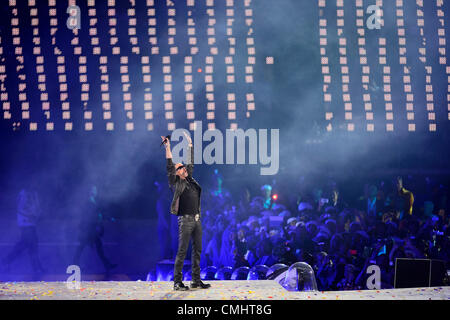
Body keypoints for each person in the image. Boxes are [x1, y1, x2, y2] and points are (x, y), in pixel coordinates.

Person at [162, 132, 211, 291]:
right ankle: (177, 282)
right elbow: (169, 164)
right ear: (176, 173)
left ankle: (196, 280)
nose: (183, 167)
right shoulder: (175, 183)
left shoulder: (190, 179)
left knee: (198, 250)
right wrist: (168, 147)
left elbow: (191, 162)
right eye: (180, 167)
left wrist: (190, 145)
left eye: (183, 166)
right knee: (182, 251)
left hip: (197, 219)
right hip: (185, 220)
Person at [73, 185, 117, 275]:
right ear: (91, 192)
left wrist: (106, 218)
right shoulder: (89, 202)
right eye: (94, 190)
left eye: (95, 189)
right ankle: (74, 264)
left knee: (84, 248)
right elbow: (91, 215)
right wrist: (97, 223)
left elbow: (98, 213)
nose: (96, 191)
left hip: (89, 229)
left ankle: (74, 264)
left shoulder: (92, 201)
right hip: (89, 229)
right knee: (86, 248)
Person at [2, 188, 45, 278]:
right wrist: (32, 215)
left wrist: (38, 214)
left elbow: (36, 207)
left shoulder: (34, 193)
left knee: (23, 246)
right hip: (25, 224)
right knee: (32, 246)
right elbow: (20, 208)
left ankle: (5, 262)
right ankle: (37, 268)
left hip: (31, 224)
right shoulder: (23, 193)